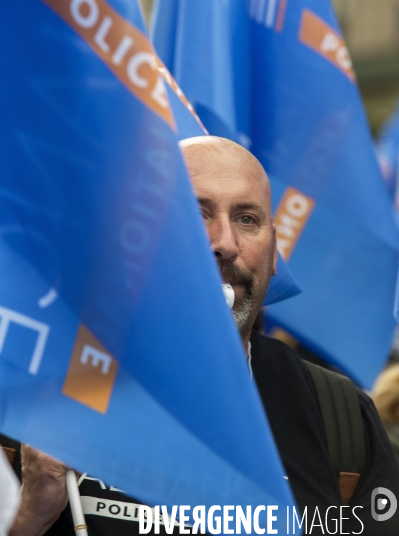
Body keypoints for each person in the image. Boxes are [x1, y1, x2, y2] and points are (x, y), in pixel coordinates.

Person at [5, 136, 399, 535]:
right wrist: (30, 518)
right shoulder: (38, 404)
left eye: (247, 219)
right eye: (196, 215)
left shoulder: (338, 414)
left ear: (275, 254)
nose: (225, 243)